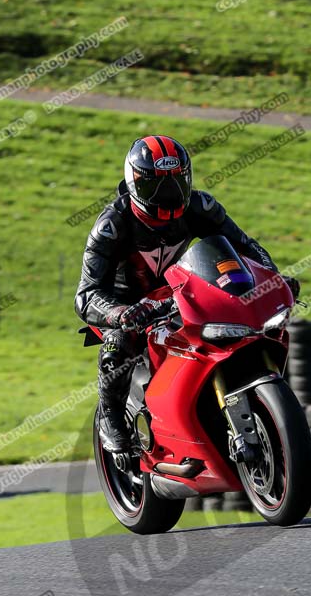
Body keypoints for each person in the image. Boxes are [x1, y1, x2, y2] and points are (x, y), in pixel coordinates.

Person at [75, 135, 299, 453]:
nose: (168, 195)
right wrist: (119, 314)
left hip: (178, 292)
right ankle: (111, 420)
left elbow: (245, 246)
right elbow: (86, 294)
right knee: (116, 347)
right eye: (156, 186)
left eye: (176, 183)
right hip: (128, 306)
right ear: (135, 183)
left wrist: (272, 278)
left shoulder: (200, 206)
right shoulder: (113, 225)